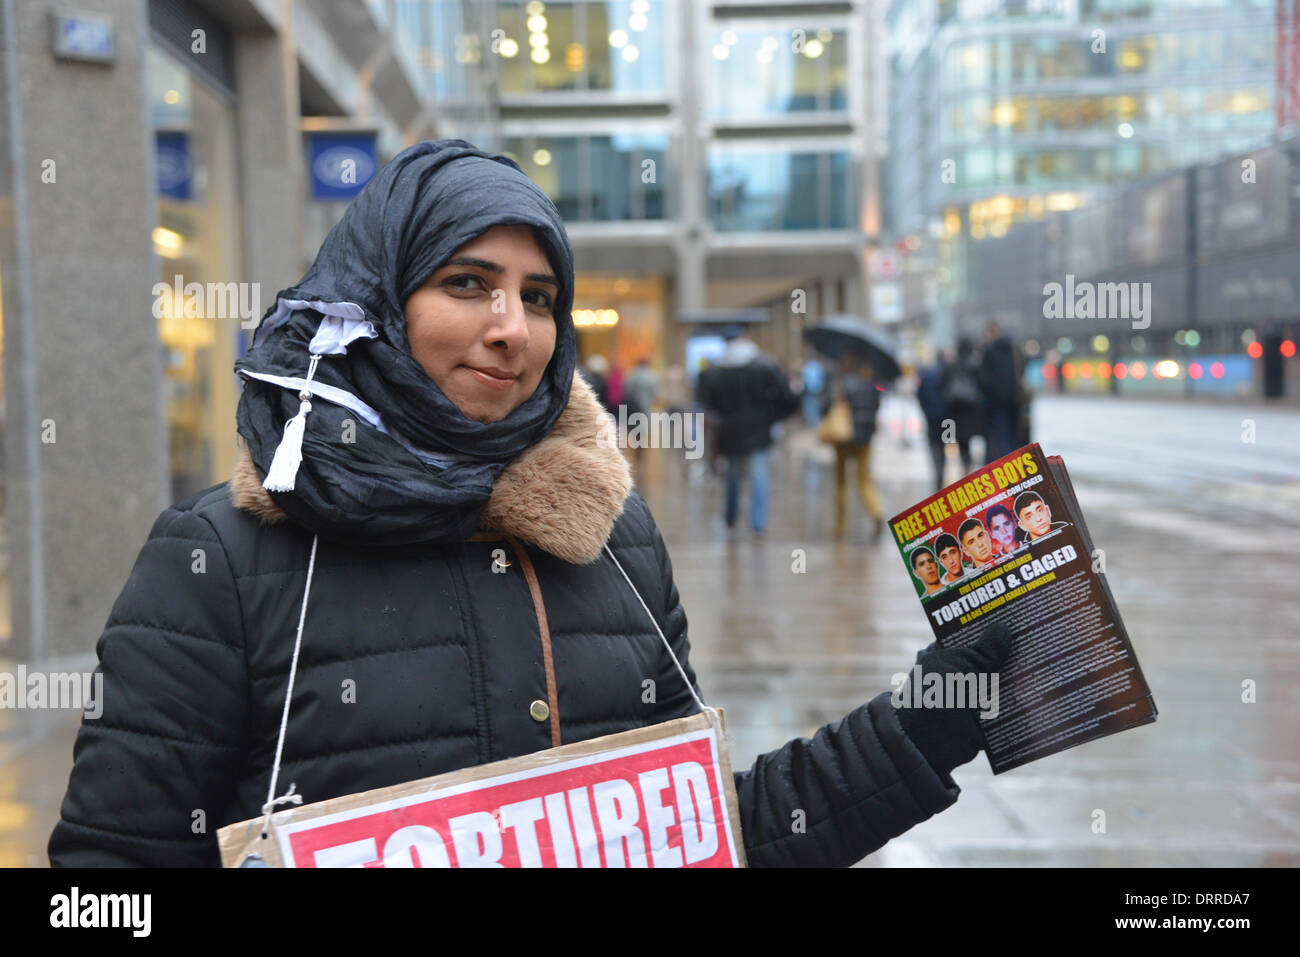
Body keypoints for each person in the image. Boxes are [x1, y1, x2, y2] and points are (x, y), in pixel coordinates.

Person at [47, 139, 1012, 868]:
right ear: (374, 303)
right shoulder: (218, 558)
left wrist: (927, 719)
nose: (512, 330)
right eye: (468, 284)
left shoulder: (612, 537)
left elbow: (703, 831)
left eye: (540, 296)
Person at [696, 327, 798, 539]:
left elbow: (707, 402)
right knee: (759, 477)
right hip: (758, 429)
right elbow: (785, 397)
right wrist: (772, 417)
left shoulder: (716, 370)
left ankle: (731, 518)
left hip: (729, 431)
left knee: (732, 476)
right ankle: (757, 524)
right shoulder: (764, 365)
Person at [825, 353, 885, 541]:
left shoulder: (842, 384)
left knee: (841, 482)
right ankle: (877, 512)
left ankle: (840, 526)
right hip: (865, 438)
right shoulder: (873, 385)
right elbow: (876, 408)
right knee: (864, 480)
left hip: (844, 437)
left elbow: (829, 406)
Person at [978, 322, 1027, 461]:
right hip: (1015, 398)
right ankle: (1015, 461)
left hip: (996, 401)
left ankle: (1006, 463)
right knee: (1013, 434)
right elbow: (1022, 367)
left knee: (1001, 435)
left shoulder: (989, 350)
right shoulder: (1014, 348)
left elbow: (984, 377)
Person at [940, 338, 983, 473]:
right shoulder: (975, 366)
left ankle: (965, 466)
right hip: (971, 410)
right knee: (970, 440)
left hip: (956, 410)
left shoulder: (952, 366)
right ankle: (968, 467)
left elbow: (944, 386)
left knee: (961, 442)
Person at [916, 348, 951, 491]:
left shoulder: (927, 374)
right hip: (947, 419)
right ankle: (941, 471)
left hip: (931, 417)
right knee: (945, 445)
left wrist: (926, 411)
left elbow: (920, 395)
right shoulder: (948, 373)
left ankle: (937, 472)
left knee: (934, 445)